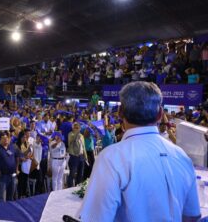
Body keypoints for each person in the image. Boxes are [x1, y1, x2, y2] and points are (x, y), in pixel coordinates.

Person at [80, 81, 201, 221]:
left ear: (120, 113)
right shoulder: (181, 156)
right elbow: (192, 217)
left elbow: (94, 218)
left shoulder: (111, 157)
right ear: (160, 114)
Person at [0, 131, 20, 202]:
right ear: (0, 140)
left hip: (13, 175)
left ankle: (9, 211)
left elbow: (17, 157)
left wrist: (17, 168)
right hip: (2, 176)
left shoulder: (12, 147)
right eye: (3, 138)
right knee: (0, 197)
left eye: (7, 138)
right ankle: (0, 211)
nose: (6, 139)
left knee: (11, 196)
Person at [67, 122, 87, 187]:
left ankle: (77, 186)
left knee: (80, 174)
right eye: (76, 128)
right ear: (73, 128)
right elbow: (70, 142)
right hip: (73, 156)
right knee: (72, 173)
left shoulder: (81, 136)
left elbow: (83, 147)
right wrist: (76, 134)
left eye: (78, 128)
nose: (77, 129)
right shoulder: (70, 134)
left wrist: (85, 156)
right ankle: (69, 187)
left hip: (81, 156)